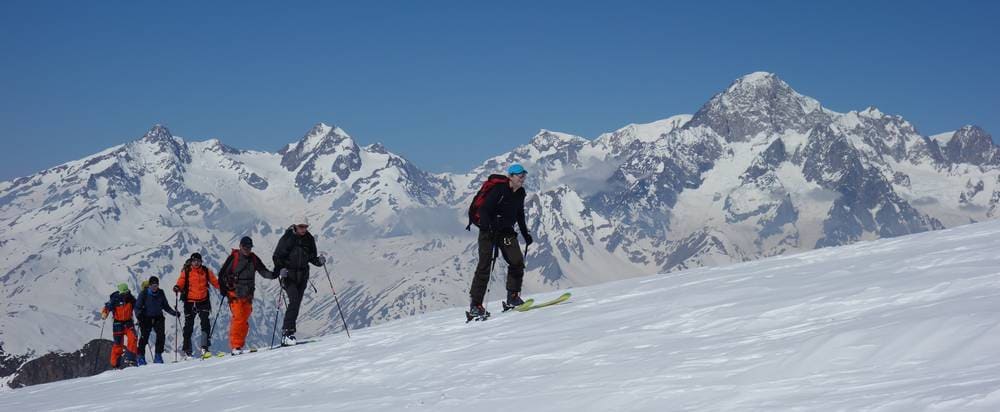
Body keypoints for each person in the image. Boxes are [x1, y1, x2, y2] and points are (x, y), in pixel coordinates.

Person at [468, 163, 534, 318]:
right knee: (485, 266)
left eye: (524, 175)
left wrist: (525, 234)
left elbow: (519, 214)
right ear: (511, 177)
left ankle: (513, 297)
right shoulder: (499, 190)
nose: (522, 178)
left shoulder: (520, 193)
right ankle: (475, 305)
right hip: (488, 232)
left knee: (516, 261)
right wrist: (488, 228)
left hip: (505, 232)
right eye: (519, 175)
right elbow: (484, 209)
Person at [272, 215, 326, 346]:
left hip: (302, 276)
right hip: (288, 276)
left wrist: (319, 261)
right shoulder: (287, 239)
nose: (304, 229)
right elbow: (277, 257)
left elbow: (312, 257)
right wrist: (281, 269)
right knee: (294, 301)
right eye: (301, 227)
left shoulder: (309, 239)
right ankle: (287, 333)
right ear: (295, 226)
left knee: (296, 303)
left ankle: (288, 333)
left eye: (306, 227)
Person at [219, 236, 276, 355]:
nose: (247, 249)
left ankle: (239, 345)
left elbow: (263, 271)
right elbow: (222, 274)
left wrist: (275, 275)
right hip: (235, 294)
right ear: (240, 246)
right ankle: (235, 346)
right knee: (238, 319)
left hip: (248, 295)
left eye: (249, 247)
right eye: (245, 247)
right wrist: (224, 290)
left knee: (244, 320)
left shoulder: (253, 259)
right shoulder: (233, 258)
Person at [173, 253, 220, 358]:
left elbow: (215, 282)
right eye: (194, 261)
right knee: (189, 327)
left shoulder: (206, 271)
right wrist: (177, 287)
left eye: (198, 261)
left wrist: (223, 288)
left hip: (203, 301)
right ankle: (187, 350)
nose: (196, 263)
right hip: (190, 302)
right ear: (191, 261)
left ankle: (204, 347)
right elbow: (181, 281)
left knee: (205, 324)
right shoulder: (187, 271)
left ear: (201, 261)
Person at [134, 276, 180, 364]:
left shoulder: (161, 293)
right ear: (149, 286)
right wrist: (139, 317)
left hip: (158, 317)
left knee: (161, 336)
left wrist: (174, 313)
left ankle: (158, 356)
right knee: (144, 337)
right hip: (146, 317)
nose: (155, 288)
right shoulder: (144, 294)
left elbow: (165, 306)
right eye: (153, 286)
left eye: (156, 285)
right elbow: (137, 307)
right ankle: (140, 356)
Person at [101, 283, 138, 368]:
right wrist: (104, 313)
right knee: (118, 344)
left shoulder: (131, 299)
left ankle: (131, 360)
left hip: (128, 322)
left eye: (127, 292)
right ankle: (115, 364)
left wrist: (140, 315)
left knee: (133, 338)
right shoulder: (115, 299)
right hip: (118, 324)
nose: (126, 294)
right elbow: (107, 307)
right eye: (124, 293)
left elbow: (137, 307)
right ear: (120, 292)